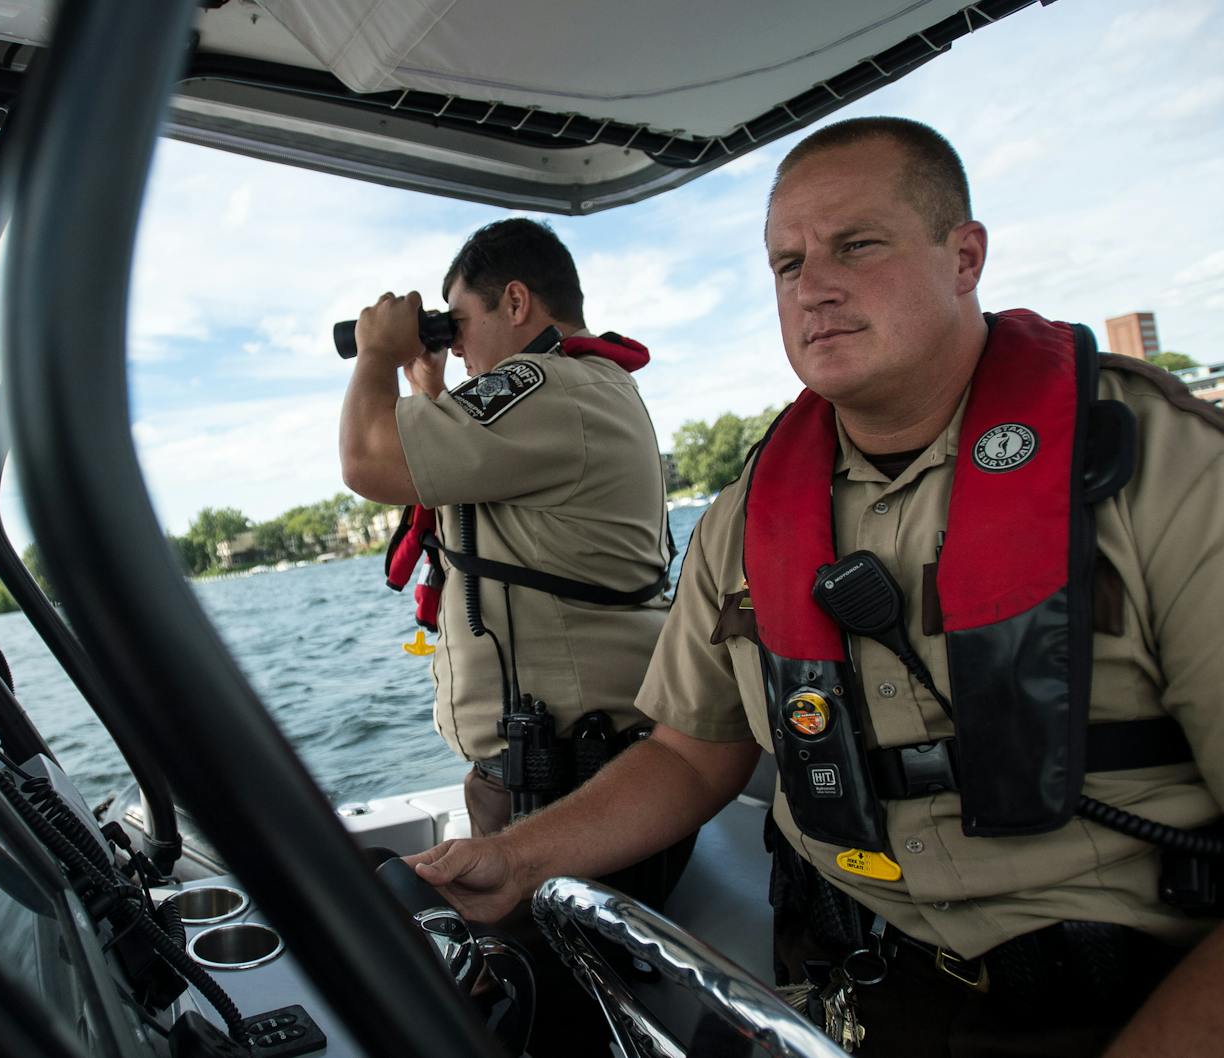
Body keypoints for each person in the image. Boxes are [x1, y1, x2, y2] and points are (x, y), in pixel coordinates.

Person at [405, 117, 1224, 1057]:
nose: (815, 287)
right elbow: (687, 754)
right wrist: (509, 860)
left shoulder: (1154, 471)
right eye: (787, 265)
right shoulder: (751, 517)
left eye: (856, 245)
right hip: (858, 989)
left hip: (1121, 1001)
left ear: (965, 258)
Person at [339, 218, 695, 1055]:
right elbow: (461, 476)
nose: (456, 351)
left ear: (518, 301)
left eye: (457, 325)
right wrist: (426, 383)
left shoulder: (556, 387)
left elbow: (366, 458)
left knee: (527, 1028)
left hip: (579, 787)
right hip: (547, 774)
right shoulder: (567, 393)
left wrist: (377, 355)